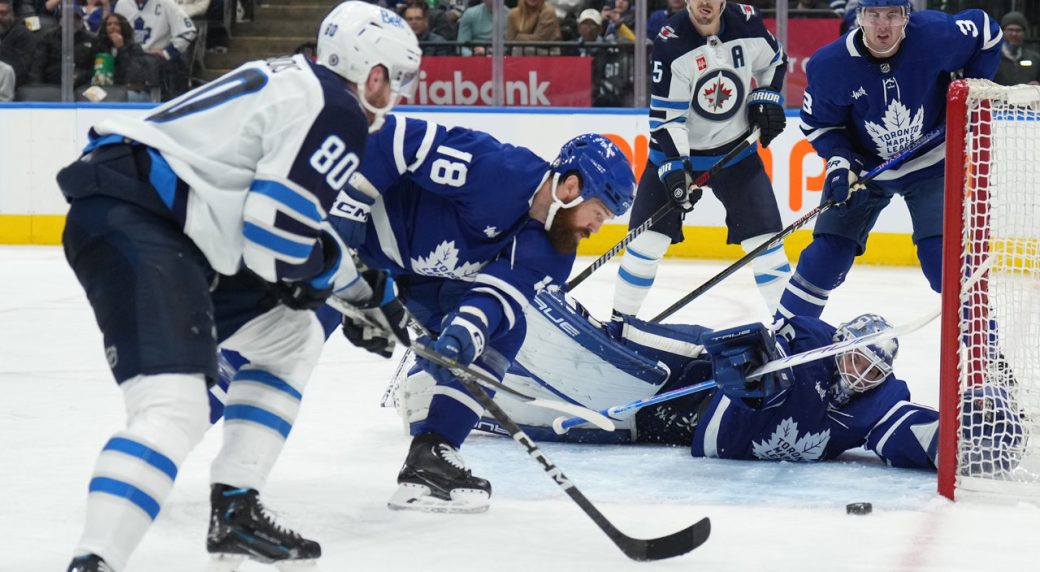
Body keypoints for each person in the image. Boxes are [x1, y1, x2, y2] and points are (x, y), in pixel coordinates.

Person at [59, 3, 421, 571]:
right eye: (396, 78)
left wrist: (362, 292)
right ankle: (95, 560)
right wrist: (334, 284)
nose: (397, 91)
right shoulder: (338, 110)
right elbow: (274, 243)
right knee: (174, 406)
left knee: (293, 336)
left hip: (162, 219)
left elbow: (291, 222)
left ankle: (235, 508)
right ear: (371, 73)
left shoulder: (299, 82)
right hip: (140, 219)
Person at [325, 116, 634, 514]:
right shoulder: (497, 170)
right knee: (292, 331)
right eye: (599, 211)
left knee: (504, 332)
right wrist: (347, 216)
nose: (596, 227)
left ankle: (431, 456)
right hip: (358, 241)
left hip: (418, 280)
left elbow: (497, 297)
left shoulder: (555, 250)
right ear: (571, 187)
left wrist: (462, 338)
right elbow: (390, 139)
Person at [457, 289, 1024, 474]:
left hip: (697, 431)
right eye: (854, 359)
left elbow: (912, 435)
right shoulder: (809, 338)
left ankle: (487, 410)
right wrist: (757, 363)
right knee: (666, 351)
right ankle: (597, 327)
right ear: (841, 344)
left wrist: (968, 435)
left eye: (871, 369)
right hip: (708, 386)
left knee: (601, 427)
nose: (858, 374)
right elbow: (742, 344)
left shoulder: (877, 406)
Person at [774, 0, 1002, 321]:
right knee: (824, 260)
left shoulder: (934, 35)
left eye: (893, 15)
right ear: (859, 18)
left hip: (931, 161)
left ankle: (984, 350)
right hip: (865, 170)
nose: (883, 26)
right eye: (874, 15)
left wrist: (970, 92)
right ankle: (784, 341)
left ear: (907, 17)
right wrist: (840, 163)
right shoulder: (830, 64)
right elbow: (820, 125)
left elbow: (987, 33)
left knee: (944, 264)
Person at [610, 0, 792, 323]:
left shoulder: (747, 22)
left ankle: (792, 330)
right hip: (676, 155)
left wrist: (767, 95)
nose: (703, 3)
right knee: (644, 247)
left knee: (768, 247)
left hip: (736, 154)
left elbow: (776, 61)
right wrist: (677, 169)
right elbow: (666, 121)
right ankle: (619, 324)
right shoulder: (670, 42)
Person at [114, 0, 197, 100]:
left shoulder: (166, 3)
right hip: (127, 60)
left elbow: (188, 31)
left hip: (156, 65)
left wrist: (167, 52)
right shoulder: (122, 4)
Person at [28, 6, 96, 88]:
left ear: (81, 20)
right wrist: (36, 89)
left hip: (82, 85)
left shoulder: (92, 39)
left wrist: (81, 75)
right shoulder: (49, 36)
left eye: (76, 17)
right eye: (68, 17)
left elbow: (95, 68)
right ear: (61, 19)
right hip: (52, 84)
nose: (72, 21)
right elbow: (37, 66)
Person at [0, 0, 35, 100]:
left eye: (3, 13)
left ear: (12, 14)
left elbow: (20, 69)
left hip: (8, 84)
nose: (0, 17)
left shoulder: (23, 34)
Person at [994, 11, 1040, 87]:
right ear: (1002, 31)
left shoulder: (1035, 59)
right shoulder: (992, 58)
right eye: (1010, 30)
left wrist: (1038, 86)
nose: (1014, 34)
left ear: (1024, 33)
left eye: (1018, 30)